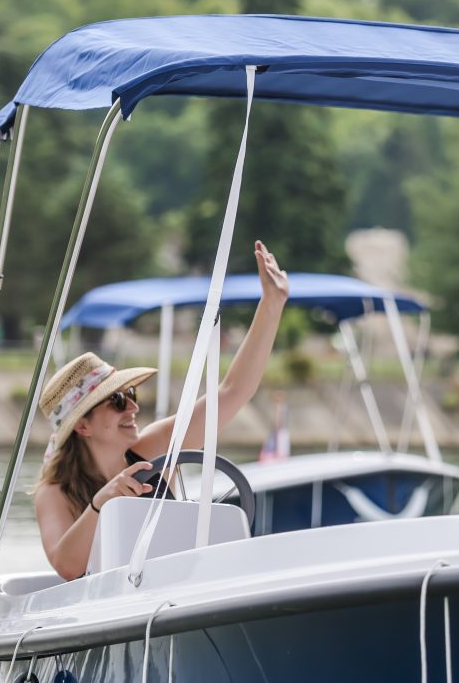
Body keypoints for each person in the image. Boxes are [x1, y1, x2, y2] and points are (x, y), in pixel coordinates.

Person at [34, 241, 289, 579]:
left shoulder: (155, 447)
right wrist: (103, 502)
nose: (134, 407)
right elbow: (68, 568)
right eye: (118, 400)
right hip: (108, 612)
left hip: (177, 596)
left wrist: (272, 304)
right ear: (82, 426)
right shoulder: (54, 491)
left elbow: (231, 393)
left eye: (130, 393)